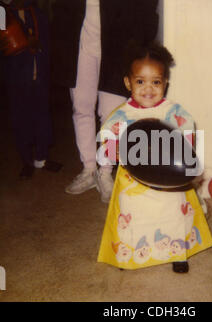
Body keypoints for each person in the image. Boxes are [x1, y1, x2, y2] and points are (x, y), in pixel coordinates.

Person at [97, 42, 212, 273]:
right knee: (134, 215)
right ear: (128, 82)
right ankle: (130, 252)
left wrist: (188, 164)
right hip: (134, 182)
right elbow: (107, 139)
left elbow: (187, 140)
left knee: (173, 214)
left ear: (165, 83)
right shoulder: (121, 115)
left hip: (169, 184)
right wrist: (115, 152)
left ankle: (177, 252)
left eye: (156, 82)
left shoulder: (175, 112)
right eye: (140, 81)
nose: (148, 88)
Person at [50, 0, 159, 202]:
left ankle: (105, 172)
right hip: (80, 46)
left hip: (118, 47)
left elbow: (148, 9)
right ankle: (89, 168)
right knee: (81, 107)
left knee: (111, 114)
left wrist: (140, 42)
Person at [0, 0, 62, 178]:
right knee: (21, 117)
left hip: (39, 74)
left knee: (42, 115)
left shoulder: (36, 12)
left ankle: (42, 158)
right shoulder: (3, 12)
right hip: (16, 78)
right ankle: (26, 160)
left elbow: (48, 41)